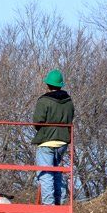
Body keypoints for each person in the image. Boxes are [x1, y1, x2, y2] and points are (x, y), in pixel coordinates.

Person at [31, 69, 74, 205]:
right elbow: (70, 119)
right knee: (57, 172)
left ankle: (49, 206)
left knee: (46, 174)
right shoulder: (69, 102)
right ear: (61, 85)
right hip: (62, 142)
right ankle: (60, 202)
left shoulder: (44, 101)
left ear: (48, 85)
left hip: (46, 142)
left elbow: (37, 121)